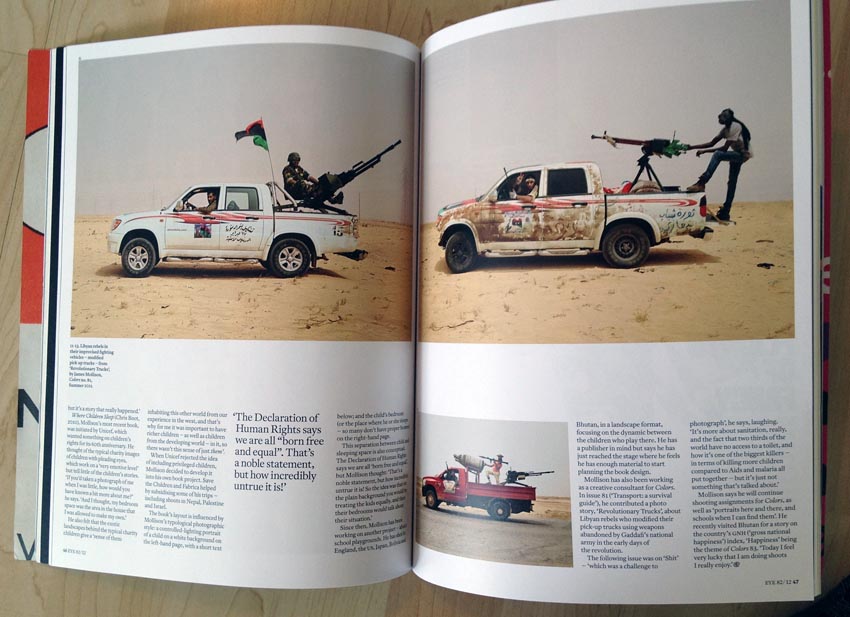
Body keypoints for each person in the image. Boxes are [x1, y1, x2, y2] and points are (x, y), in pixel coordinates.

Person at [685, 108, 753, 221]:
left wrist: (705, 152)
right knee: (732, 182)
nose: (720, 117)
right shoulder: (725, 130)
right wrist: (692, 147)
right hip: (737, 154)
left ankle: (702, 182)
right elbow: (711, 143)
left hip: (742, 155)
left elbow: (724, 149)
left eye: (723, 116)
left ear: (728, 118)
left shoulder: (735, 127)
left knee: (718, 155)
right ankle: (726, 211)